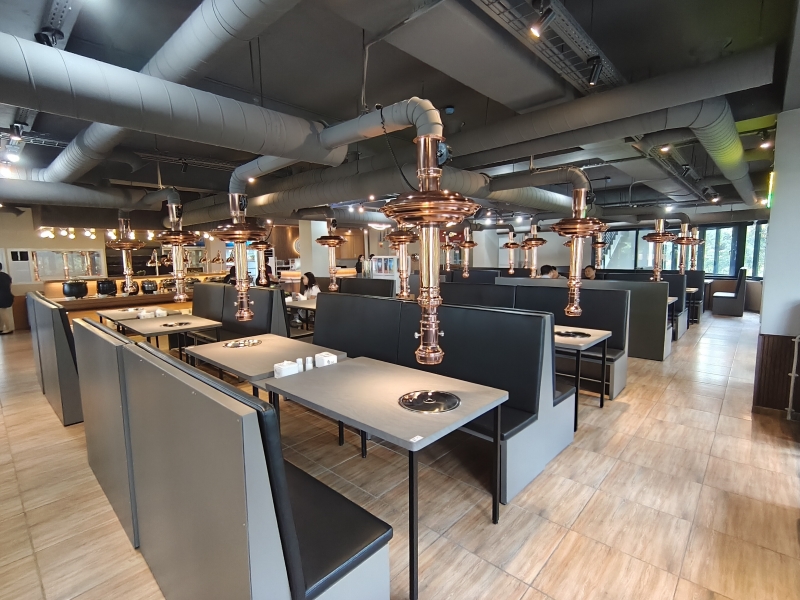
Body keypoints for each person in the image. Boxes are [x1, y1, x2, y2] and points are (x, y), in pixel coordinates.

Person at [0, 263, 13, 335]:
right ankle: (1, 328)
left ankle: (8, 328)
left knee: (3, 312)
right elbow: (10, 286)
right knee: (2, 312)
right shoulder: (6, 276)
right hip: (7, 295)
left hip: (1, 296)